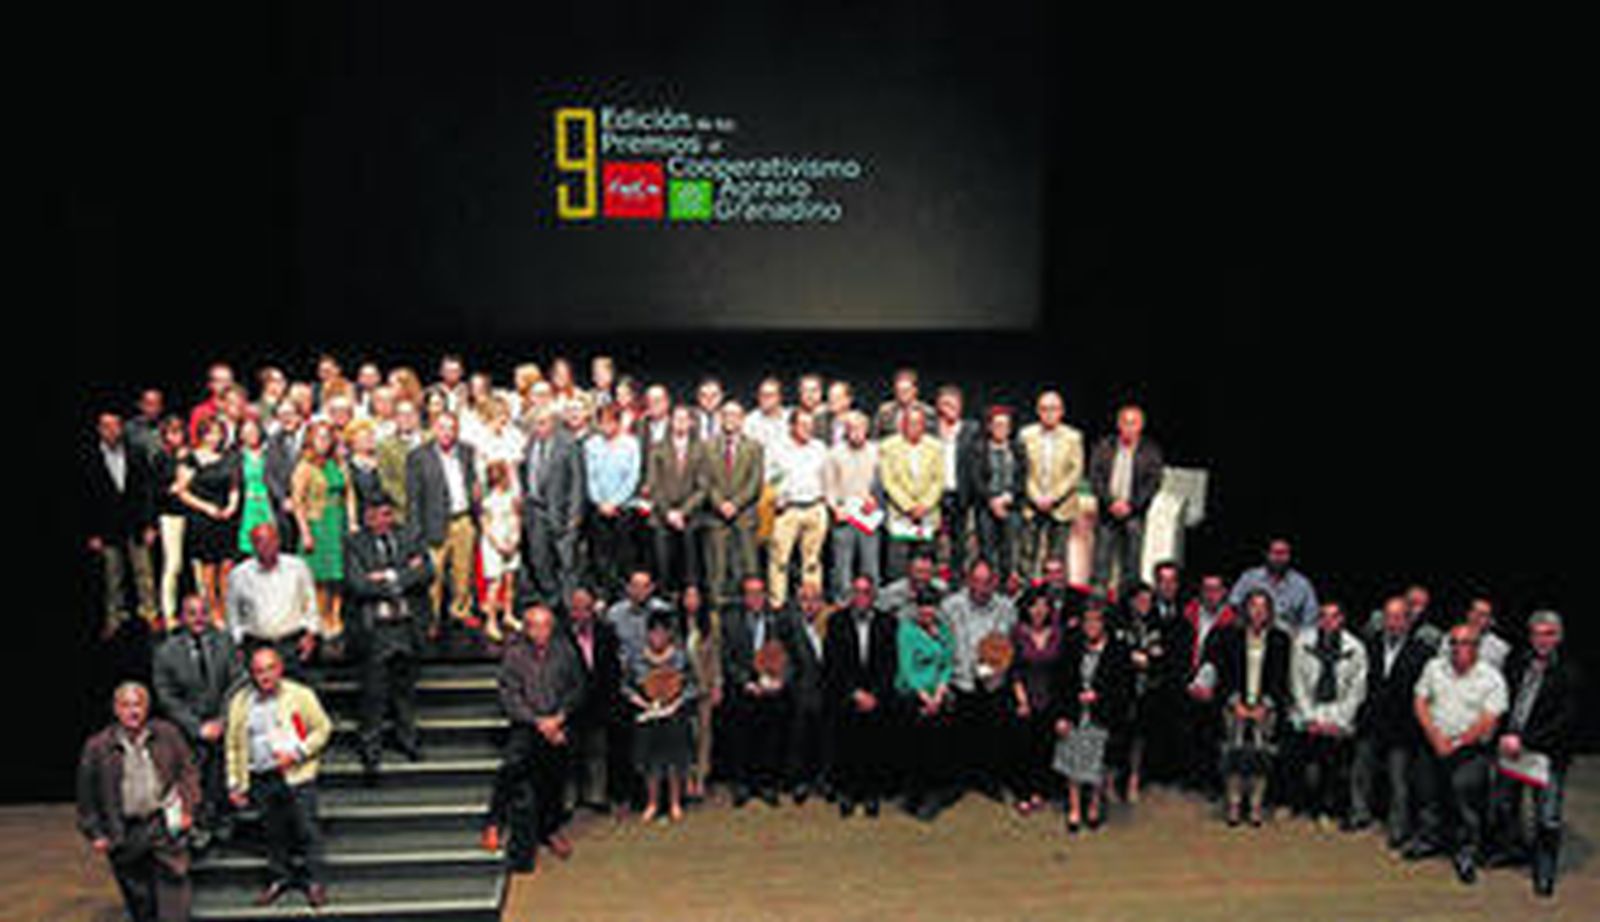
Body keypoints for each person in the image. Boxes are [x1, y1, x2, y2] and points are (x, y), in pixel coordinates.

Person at [77, 682, 198, 922]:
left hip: (163, 825)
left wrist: (188, 807)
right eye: (126, 705)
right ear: (116, 709)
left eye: (138, 705)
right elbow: (87, 795)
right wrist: (95, 833)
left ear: (147, 707)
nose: (133, 711)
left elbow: (188, 772)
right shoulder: (98, 746)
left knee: (174, 901)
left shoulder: (167, 734)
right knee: (140, 901)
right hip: (124, 831)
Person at [224, 647, 332, 907]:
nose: (265, 676)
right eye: (259, 670)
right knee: (273, 832)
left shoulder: (300, 695)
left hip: (296, 774)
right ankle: (279, 878)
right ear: (252, 673)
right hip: (261, 775)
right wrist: (234, 783)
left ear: (280, 669)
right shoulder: (240, 701)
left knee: (306, 829)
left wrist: (297, 753)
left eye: (270, 668)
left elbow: (323, 729)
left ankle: (314, 882)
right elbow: (233, 745)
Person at [485, 605, 584, 872]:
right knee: (512, 768)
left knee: (556, 775)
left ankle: (551, 829)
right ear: (527, 629)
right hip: (527, 726)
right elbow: (509, 696)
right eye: (536, 626)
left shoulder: (564, 653)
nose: (541, 632)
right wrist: (537, 721)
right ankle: (494, 823)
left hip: (557, 723)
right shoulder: (515, 656)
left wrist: (559, 718)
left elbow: (576, 689)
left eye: (546, 626)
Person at [1408, 623, 1508, 884]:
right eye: (1454, 643)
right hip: (1434, 742)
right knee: (1427, 794)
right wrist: (1435, 737)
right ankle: (1429, 841)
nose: (1459, 649)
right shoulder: (1434, 667)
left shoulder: (1491, 678)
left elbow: (1489, 720)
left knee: (1466, 802)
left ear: (1477, 648)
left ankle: (1467, 853)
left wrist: (1458, 743)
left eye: (1466, 643)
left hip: (1470, 749)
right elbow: (1420, 701)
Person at [1491, 611, 1579, 897]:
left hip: (1546, 754)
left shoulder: (1570, 671)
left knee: (1547, 817)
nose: (1542, 640)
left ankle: (1544, 869)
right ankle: (1514, 851)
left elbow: (1567, 720)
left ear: (1560, 637)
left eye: (1549, 634)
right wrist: (1504, 734)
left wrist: (1525, 740)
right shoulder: (1516, 663)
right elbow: (1502, 698)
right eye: (1537, 633)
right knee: (1506, 805)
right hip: (1511, 749)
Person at [343, 496, 431, 775]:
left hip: (406, 625)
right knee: (374, 693)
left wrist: (389, 577)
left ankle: (408, 741)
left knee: (405, 690)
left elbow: (427, 572)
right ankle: (371, 749)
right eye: (376, 516)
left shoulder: (410, 536)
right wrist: (405, 575)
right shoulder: (355, 543)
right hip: (376, 629)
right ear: (366, 517)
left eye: (386, 515)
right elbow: (357, 584)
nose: (382, 521)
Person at [152, 594, 240, 849]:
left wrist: (223, 720)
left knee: (223, 770)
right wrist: (197, 727)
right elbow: (167, 697)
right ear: (181, 618)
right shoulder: (167, 652)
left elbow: (237, 684)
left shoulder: (225, 643)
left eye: (203, 612)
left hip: (223, 722)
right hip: (188, 728)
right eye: (192, 613)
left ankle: (222, 822)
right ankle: (199, 825)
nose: (199, 618)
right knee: (194, 773)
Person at [1349, 594, 1436, 847]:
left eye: (1399, 617)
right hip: (1371, 720)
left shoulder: (1423, 652)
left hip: (1402, 725)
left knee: (1399, 781)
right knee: (1361, 772)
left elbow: (1423, 693)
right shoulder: (1370, 644)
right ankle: (1359, 815)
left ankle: (1398, 828)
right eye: (1388, 616)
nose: (1393, 622)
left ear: (1409, 621)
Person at [1206, 589, 1291, 826]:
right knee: (1234, 755)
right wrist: (1236, 705)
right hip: (1235, 705)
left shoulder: (1280, 640)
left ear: (1270, 612)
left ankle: (1255, 805)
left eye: (1263, 607)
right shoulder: (1230, 637)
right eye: (1253, 606)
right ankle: (1233, 804)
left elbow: (1281, 679)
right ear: (1245, 609)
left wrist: (1266, 705)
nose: (1258, 612)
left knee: (1260, 758)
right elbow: (1223, 675)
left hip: (1266, 707)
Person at [941, 559, 1018, 801]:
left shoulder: (1007, 608)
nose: (981, 587)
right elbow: (943, 643)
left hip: (993, 682)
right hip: (960, 678)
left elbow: (1011, 643)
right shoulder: (950, 606)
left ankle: (989, 782)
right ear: (967, 580)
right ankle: (959, 782)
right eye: (976, 581)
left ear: (995, 582)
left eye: (986, 582)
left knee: (991, 735)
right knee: (959, 736)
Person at [1288, 601, 1368, 828]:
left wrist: (1337, 721)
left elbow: (1356, 691)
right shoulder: (1302, 642)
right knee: (1301, 757)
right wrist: (1310, 718)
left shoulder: (1356, 648)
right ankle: (1299, 805)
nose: (1328, 621)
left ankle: (1327, 809)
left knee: (1333, 762)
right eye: (1323, 616)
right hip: (1307, 711)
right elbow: (1296, 683)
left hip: (1339, 716)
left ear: (1342, 619)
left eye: (1334, 616)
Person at [824, 576, 898, 818]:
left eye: (866, 592)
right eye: (856, 592)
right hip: (847, 696)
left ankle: (871, 794)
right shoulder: (836, 622)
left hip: (877, 697)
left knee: (874, 747)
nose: (861, 598)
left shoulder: (888, 623)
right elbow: (832, 664)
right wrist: (855, 693)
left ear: (874, 596)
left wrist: (874, 695)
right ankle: (847, 794)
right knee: (847, 745)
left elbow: (890, 665)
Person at [1054, 605, 1132, 832]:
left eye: (1097, 621)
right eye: (1087, 621)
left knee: (1097, 765)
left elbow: (1124, 689)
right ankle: (1075, 809)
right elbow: (1060, 684)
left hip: (1103, 714)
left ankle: (1095, 806)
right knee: (1072, 763)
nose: (1092, 626)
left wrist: (1099, 696)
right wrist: (1061, 715)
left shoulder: (1118, 650)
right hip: (1074, 713)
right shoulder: (1071, 648)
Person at [720, 576, 796, 807]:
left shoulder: (779, 620)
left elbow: (792, 654)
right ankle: (743, 786)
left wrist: (781, 680)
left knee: (770, 740)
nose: (755, 598)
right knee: (741, 740)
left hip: (773, 690)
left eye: (759, 593)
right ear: (743, 597)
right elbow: (727, 658)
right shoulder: (732, 622)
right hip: (744, 690)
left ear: (765, 596)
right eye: (750, 593)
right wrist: (745, 682)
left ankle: (767, 786)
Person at [406, 410, 481, 633]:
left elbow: (472, 482)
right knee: (434, 575)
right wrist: (416, 533)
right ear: (433, 429)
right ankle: (432, 619)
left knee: (463, 572)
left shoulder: (466, 451)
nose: (447, 433)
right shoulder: (418, 456)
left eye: (451, 428)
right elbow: (414, 499)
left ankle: (461, 610)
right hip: (434, 522)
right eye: (442, 427)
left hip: (463, 520)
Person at [87, 411, 159, 639]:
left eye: (116, 426)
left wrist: (150, 524)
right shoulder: (90, 457)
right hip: (107, 526)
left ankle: (150, 613)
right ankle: (114, 618)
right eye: (106, 426)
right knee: (112, 576)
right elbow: (84, 499)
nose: (112, 431)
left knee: (144, 572)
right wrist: (92, 533)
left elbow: (147, 491)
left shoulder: (135, 452)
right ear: (99, 429)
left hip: (136, 522)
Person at [623, 609, 698, 823]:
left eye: (662, 633)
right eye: (653, 632)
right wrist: (640, 702)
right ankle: (652, 802)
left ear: (669, 634)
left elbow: (692, 685)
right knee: (651, 762)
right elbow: (626, 686)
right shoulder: (636, 657)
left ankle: (674, 802)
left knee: (674, 760)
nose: (658, 637)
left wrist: (677, 702)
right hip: (647, 715)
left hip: (674, 715)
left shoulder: (680, 656)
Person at [1088, 404, 1164, 592]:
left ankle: (1127, 606)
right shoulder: (1104, 446)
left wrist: (1130, 505)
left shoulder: (1151, 451)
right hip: (1107, 512)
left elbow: (1152, 483)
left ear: (1141, 426)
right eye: (1125, 422)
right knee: (1101, 563)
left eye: (1134, 423)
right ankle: (1097, 605)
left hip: (1134, 514)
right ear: (1118, 424)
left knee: (1131, 565)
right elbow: (1095, 477)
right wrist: (1110, 502)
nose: (1129, 427)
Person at [896, 590, 957, 821]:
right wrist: (925, 697)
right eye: (923, 607)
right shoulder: (906, 631)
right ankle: (913, 795)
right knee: (915, 746)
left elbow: (947, 663)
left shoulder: (943, 630)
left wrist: (939, 692)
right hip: (913, 694)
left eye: (931, 607)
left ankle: (933, 797)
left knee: (937, 747)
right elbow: (906, 668)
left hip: (937, 694)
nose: (927, 612)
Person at [226, 523, 319, 674]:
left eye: (270, 540)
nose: (266, 546)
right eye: (260, 541)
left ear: (278, 541)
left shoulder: (297, 567)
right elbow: (233, 614)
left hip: (291, 643)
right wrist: (237, 644)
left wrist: (311, 634)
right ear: (253, 545)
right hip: (256, 644)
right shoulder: (239, 574)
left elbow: (310, 603)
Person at [697, 402, 763, 610]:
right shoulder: (707, 446)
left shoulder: (754, 447)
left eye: (735, 415)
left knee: (746, 569)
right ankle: (716, 616)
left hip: (744, 516)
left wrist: (735, 504)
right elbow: (703, 480)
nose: (730, 419)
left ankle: (749, 616)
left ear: (742, 419)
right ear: (719, 418)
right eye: (726, 415)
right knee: (715, 572)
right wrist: (720, 504)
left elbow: (755, 482)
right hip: (715, 517)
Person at [174, 417, 239, 625]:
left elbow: (234, 487)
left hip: (225, 518)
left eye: (219, 433)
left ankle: (228, 610)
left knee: (227, 567)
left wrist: (231, 506)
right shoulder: (190, 459)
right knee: (209, 569)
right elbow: (182, 492)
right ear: (202, 435)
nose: (215, 438)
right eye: (210, 433)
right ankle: (214, 611)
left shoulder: (228, 458)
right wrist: (206, 507)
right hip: (202, 518)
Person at [563, 587, 623, 815]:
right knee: (570, 754)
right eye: (577, 609)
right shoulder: (562, 636)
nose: (581, 614)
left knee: (597, 751)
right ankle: (570, 798)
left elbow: (613, 668)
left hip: (599, 702)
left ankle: (596, 795)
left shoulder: (606, 633)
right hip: (570, 704)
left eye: (586, 609)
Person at [1009, 587, 1068, 816]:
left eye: (1044, 605)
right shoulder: (1017, 633)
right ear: (1026, 608)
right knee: (1024, 748)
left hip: (1051, 698)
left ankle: (1039, 791)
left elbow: (1063, 671)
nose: (1039, 610)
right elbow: (1014, 670)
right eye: (1034, 605)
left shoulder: (1058, 633)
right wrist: (1021, 700)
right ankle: (1023, 793)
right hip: (1025, 696)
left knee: (1045, 748)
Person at [290, 420, 350, 641]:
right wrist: (305, 531)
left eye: (328, 437)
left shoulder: (338, 463)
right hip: (317, 522)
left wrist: (352, 522)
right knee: (321, 577)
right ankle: (321, 617)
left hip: (338, 520)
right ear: (311, 440)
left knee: (338, 575)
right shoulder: (304, 467)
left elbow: (349, 493)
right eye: (320, 438)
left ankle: (335, 614)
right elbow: (297, 502)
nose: (324, 442)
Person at [1018, 391, 1087, 581]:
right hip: (1032, 503)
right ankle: (1027, 594)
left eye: (1054, 409)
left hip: (1061, 505)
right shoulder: (1026, 435)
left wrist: (1053, 497)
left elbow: (1075, 471)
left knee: (1056, 556)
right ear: (1038, 411)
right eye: (1044, 409)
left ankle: (1054, 597)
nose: (1049, 413)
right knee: (1027, 553)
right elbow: (1022, 469)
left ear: (1061, 412)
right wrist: (1036, 496)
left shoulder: (1073, 437)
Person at [522, 407, 585, 607]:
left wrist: (575, 515)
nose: (538, 428)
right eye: (535, 424)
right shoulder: (531, 444)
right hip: (535, 510)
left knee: (567, 564)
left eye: (542, 423)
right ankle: (552, 599)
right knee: (539, 560)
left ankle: (569, 607)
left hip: (562, 513)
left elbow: (577, 482)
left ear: (553, 423)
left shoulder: (568, 444)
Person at [1181, 574, 1237, 795]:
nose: (1211, 594)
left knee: (1213, 736)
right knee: (1187, 732)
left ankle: (1211, 782)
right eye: (1207, 589)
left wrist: (1212, 687)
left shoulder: (1233, 619)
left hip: (1217, 686)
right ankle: (1189, 777)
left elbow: (1231, 662)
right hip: (1187, 680)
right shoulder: (1188, 614)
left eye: (1216, 589)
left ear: (1224, 592)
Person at [768, 409, 829, 608]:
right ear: (792, 426)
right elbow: (768, 478)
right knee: (779, 561)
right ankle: (777, 604)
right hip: (788, 510)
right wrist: (777, 497)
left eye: (810, 425)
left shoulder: (819, 448)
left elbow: (828, 476)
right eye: (802, 425)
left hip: (815, 507)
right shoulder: (778, 448)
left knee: (812, 562)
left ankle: (811, 606)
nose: (807, 429)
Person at [822, 410, 881, 602]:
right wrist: (835, 508)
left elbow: (883, 482)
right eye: (851, 428)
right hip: (844, 515)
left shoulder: (876, 451)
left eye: (860, 428)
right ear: (845, 431)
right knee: (842, 565)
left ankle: (872, 603)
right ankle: (843, 602)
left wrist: (875, 499)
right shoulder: (834, 453)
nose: (856, 432)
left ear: (867, 429)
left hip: (868, 515)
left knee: (870, 564)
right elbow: (828, 486)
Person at [584, 404, 642, 598]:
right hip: (598, 508)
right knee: (600, 555)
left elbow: (632, 478)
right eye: (602, 422)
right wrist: (600, 502)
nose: (606, 426)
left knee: (624, 555)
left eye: (610, 422)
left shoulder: (631, 444)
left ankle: (624, 594)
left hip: (623, 509)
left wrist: (614, 503)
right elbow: (590, 476)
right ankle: (604, 594)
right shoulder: (591, 444)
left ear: (618, 422)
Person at [879, 406, 944, 578]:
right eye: (910, 422)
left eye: (918, 423)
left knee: (924, 566)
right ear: (902, 424)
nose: (914, 426)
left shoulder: (935, 447)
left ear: (924, 425)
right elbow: (889, 481)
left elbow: (938, 480)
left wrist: (924, 506)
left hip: (927, 516)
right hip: (900, 515)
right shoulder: (888, 446)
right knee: (898, 568)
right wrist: (909, 507)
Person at [645, 404, 704, 593]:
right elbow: (654, 484)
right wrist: (669, 513)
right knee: (662, 563)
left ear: (692, 423)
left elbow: (703, 487)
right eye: (676, 419)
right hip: (663, 514)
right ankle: (663, 597)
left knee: (690, 565)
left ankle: (690, 600)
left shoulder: (701, 449)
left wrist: (683, 512)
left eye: (684, 419)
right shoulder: (658, 448)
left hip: (690, 515)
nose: (680, 423)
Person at [785, 580, 831, 804]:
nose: (810, 605)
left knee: (825, 739)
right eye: (804, 600)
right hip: (801, 691)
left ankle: (823, 780)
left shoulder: (831, 626)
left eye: (814, 600)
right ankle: (799, 783)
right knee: (799, 740)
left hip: (827, 690)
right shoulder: (791, 627)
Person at [968, 405, 1024, 584]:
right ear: (990, 427)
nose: (1002, 429)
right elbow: (975, 478)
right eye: (997, 425)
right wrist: (992, 500)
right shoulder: (979, 448)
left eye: (1006, 425)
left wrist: (1009, 496)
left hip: (1010, 506)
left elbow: (1022, 477)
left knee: (1009, 550)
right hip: (986, 506)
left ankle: (1005, 587)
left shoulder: (1017, 448)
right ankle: (986, 586)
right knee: (987, 551)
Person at [932, 385, 980, 577]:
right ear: (938, 406)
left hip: (961, 493)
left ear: (960, 406)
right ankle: (934, 579)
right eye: (945, 403)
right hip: (934, 493)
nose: (949, 408)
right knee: (934, 540)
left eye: (953, 404)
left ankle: (958, 578)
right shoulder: (931, 429)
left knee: (960, 540)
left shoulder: (972, 429)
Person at [151, 416, 192, 631]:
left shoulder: (190, 455)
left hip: (193, 514)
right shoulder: (161, 458)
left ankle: (198, 611)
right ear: (165, 435)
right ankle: (168, 613)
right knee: (173, 564)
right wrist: (173, 487)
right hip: (170, 515)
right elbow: (156, 490)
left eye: (179, 431)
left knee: (192, 565)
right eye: (171, 432)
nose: (176, 436)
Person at [1228, 538, 1319, 634]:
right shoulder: (1249, 578)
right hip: (1252, 635)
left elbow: (1310, 619)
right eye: (1275, 553)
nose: (1279, 558)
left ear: (1290, 556)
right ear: (1267, 554)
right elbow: (1233, 606)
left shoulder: (1302, 585)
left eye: (1283, 553)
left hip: (1289, 639)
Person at [682, 585, 722, 801]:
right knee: (686, 735)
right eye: (687, 596)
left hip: (704, 687)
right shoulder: (676, 623)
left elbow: (716, 656)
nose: (691, 600)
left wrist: (717, 685)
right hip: (681, 690)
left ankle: (701, 779)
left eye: (695, 596)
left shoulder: (710, 623)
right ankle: (686, 778)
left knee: (704, 735)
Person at [479, 460, 522, 642]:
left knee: (510, 580)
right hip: (494, 543)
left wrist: (515, 538)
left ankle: (508, 614)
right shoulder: (487, 499)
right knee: (494, 583)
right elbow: (485, 524)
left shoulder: (511, 495)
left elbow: (516, 516)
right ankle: (491, 621)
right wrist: (497, 544)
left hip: (510, 539)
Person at [234, 417, 277, 562]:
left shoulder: (270, 454)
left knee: (269, 544)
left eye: (254, 431)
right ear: (240, 435)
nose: (251, 435)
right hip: (248, 505)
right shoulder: (237, 457)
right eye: (246, 432)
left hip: (267, 504)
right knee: (248, 546)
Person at [264, 399, 305, 550]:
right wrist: (283, 498)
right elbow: (270, 475)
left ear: (300, 415)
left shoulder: (311, 437)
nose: (286, 419)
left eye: (289, 414)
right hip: (285, 506)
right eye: (281, 415)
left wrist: (299, 499)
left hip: (309, 504)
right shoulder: (273, 440)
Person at [375, 398, 423, 525]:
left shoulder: (430, 440)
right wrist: (408, 502)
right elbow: (386, 480)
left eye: (410, 414)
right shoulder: (386, 446)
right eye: (401, 415)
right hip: (402, 513)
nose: (406, 418)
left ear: (417, 416)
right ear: (395, 418)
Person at [873, 367, 933, 439]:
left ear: (915, 390)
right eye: (899, 391)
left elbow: (933, 438)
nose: (902, 395)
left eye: (906, 391)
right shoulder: (885, 411)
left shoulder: (927, 412)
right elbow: (875, 437)